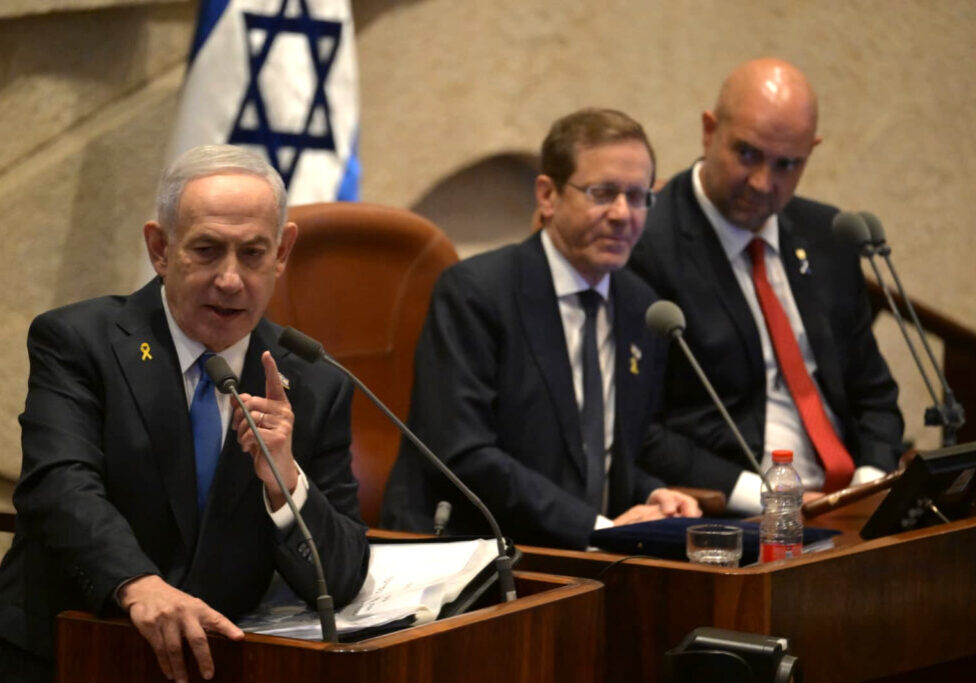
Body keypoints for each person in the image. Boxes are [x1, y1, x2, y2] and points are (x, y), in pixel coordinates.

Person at [0, 145, 370, 683]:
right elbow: (59, 485)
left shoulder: (314, 383)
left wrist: (284, 483)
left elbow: (343, 575)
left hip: (218, 662)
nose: (230, 279)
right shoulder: (80, 342)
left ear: (283, 252)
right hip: (69, 648)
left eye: (253, 253)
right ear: (160, 248)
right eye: (206, 249)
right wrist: (137, 584)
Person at [382, 108, 700, 550]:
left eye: (637, 196)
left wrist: (650, 494)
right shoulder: (476, 292)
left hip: (586, 552)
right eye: (603, 193)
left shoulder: (641, 307)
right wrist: (598, 529)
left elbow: (600, 453)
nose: (622, 214)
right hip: (476, 551)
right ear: (548, 195)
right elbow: (464, 454)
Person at [628, 58, 904, 515]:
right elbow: (640, 430)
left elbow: (874, 395)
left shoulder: (827, 236)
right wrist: (771, 500)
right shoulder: (646, 246)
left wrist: (868, 487)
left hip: (849, 504)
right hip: (739, 515)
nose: (762, 182)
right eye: (747, 154)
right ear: (709, 131)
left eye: (786, 164)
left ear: (811, 151)